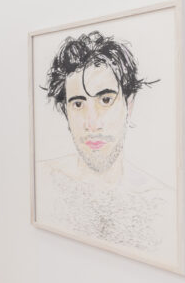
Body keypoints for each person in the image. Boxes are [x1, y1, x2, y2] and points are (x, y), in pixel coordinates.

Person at [36, 31, 170, 250]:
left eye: (106, 100)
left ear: (130, 104)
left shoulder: (162, 203)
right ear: (65, 111)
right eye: (78, 104)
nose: (92, 123)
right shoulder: (43, 180)